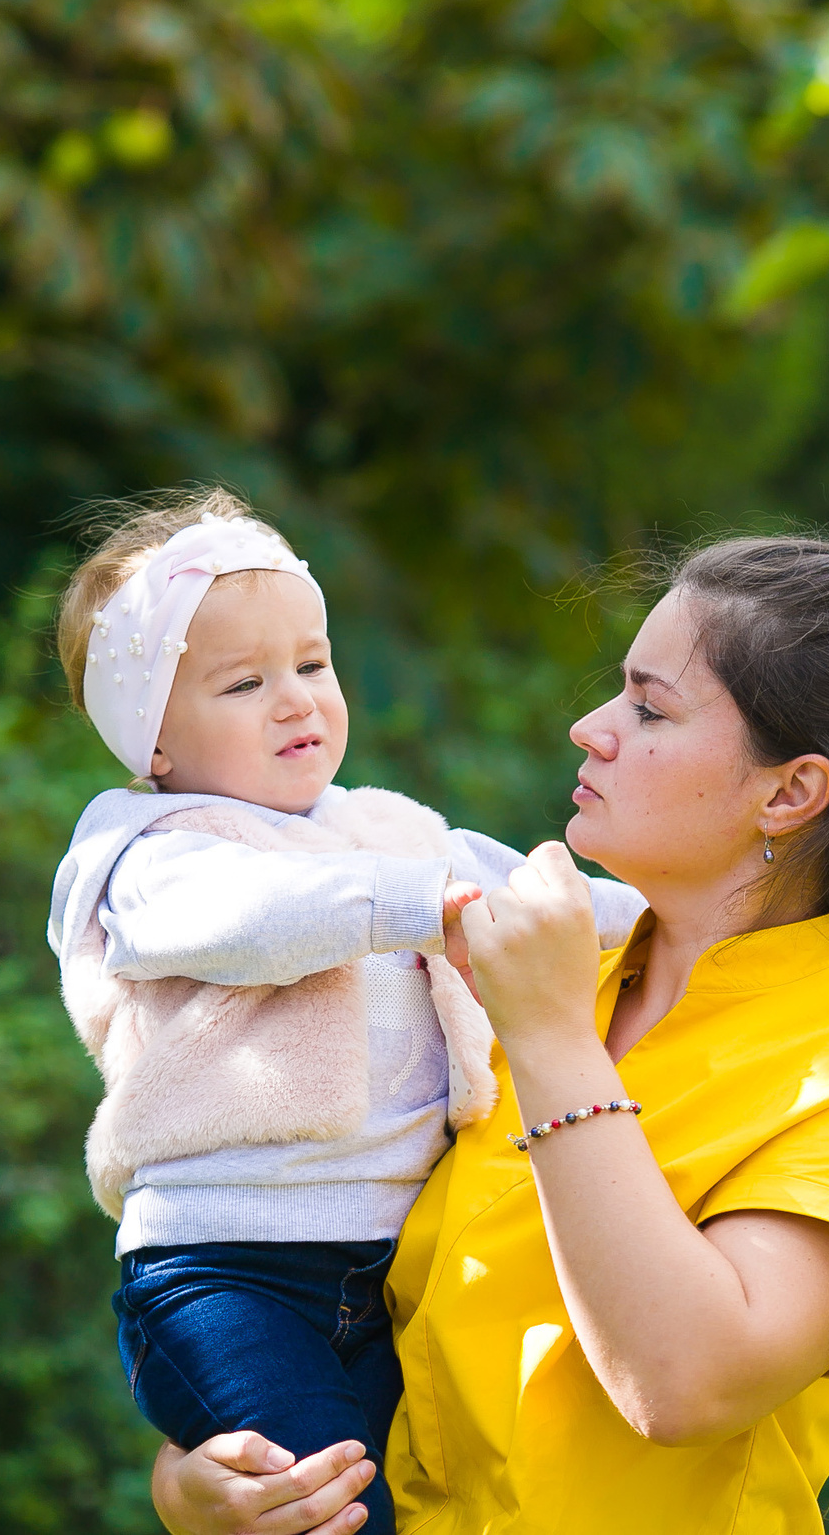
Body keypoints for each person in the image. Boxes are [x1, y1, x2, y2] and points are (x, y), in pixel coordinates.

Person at [150, 536, 829, 1535]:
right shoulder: (530, 981)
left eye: (649, 708)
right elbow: (329, 1300)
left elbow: (685, 1381)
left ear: (788, 794)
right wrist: (202, 1485)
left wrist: (554, 1039)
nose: (590, 727)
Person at [47, 489, 646, 1535]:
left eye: (312, 665)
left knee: (416, 1498)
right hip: (226, 1268)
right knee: (326, 1507)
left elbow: (537, 898)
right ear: (150, 740)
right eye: (245, 682)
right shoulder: (151, 851)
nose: (296, 701)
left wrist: (663, 919)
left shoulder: (390, 829)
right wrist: (413, 902)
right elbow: (249, 918)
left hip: (394, 1263)